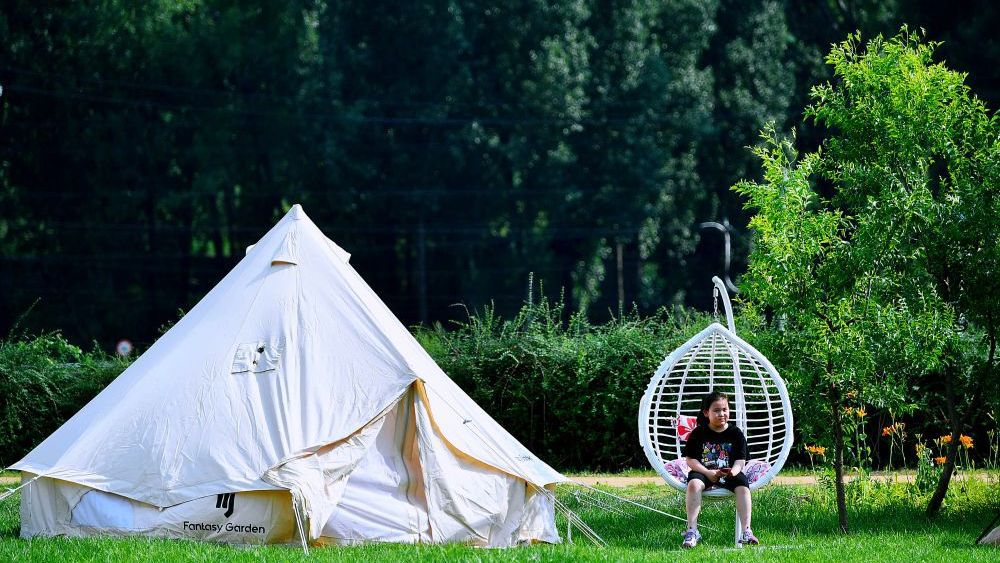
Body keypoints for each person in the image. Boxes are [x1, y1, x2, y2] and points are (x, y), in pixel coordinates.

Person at [680, 391, 758, 548]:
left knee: (743, 485)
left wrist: (733, 472)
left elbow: (741, 460)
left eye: (725, 409)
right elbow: (690, 459)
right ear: (706, 413)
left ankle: (746, 531)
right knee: (693, 484)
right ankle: (692, 530)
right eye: (716, 410)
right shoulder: (698, 433)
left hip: (730, 473)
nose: (721, 414)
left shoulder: (735, 433)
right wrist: (707, 472)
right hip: (704, 472)